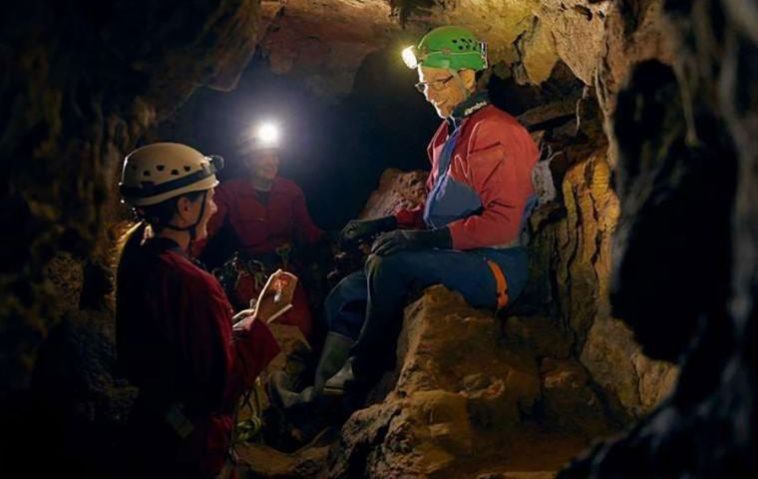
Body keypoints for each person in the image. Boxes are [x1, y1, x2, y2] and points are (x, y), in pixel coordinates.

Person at [318, 25, 540, 396]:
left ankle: (360, 372)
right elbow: (435, 209)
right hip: (452, 252)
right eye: (425, 85)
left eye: (439, 82)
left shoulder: (497, 132)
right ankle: (320, 386)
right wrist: (385, 222)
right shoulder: (447, 134)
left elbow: (504, 224)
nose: (430, 94)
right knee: (346, 292)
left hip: (493, 267)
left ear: (468, 76)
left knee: (389, 265)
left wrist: (423, 239)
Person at [115, 142, 282, 478]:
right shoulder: (192, 283)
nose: (215, 207)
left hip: (153, 427)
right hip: (191, 449)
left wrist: (229, 328)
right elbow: (220, 388)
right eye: (209, 196)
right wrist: (259, 320)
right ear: (186, 207)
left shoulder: (137, 255)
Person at [191, 127, 323, 340]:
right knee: (261, 324)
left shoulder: (291, 191)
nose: (271, 161)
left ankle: (294, 367)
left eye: (274, 155)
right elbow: (207, 227)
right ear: (247, 161)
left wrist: (333, 241)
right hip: (252, 273)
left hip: (284, 272)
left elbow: (307, 231)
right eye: (262, 156)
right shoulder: (230, 192)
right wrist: (186, 257)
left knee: (300, 324)